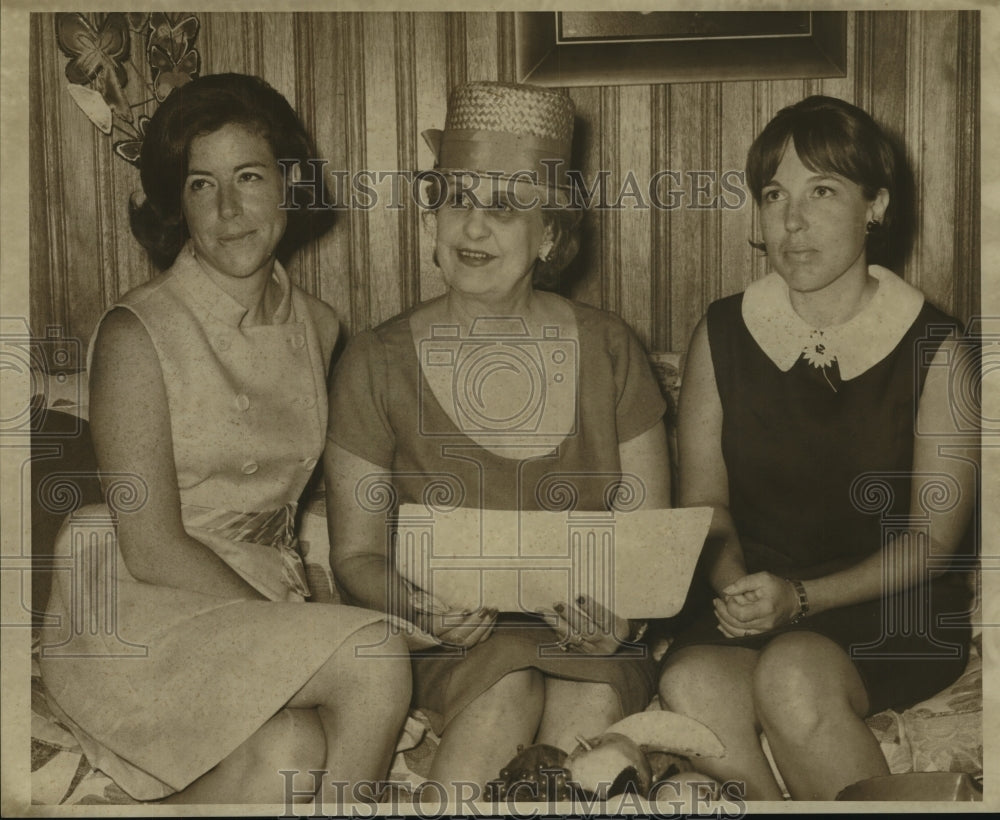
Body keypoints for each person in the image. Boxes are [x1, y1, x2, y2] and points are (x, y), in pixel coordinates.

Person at [38, 73, 411, 805]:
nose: (229, 210)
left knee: (290, 751)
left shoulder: (321, 325)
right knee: (373, 654)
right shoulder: (136, 333)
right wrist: (303, 629)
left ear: (289, 185)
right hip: (136, 604)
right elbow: (150, 546)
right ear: (178, 203)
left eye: (248, 177)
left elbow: (304, 508)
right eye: (202, 186)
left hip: (251, 596)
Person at [325, 81, 672, 792]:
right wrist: (417, 607)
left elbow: (647, 547)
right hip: (447, 646)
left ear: (550, 235)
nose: (474, 229)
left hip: (593, 642)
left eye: (505, 208)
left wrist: (625, 620)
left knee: (589, 720)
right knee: (507, 695)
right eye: (457, 201)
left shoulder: (610, 349)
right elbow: (356, 555)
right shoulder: (373, 360)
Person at [657, 95, 977, 801]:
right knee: (692, 682)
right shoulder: (723, 332)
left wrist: (800, 601)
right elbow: (704, 503)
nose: (793, 221)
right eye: (775, 195)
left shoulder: (938, 347)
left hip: (891, 600)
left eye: (823, 191)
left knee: (792, 674)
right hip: (757, 592)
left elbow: (934, 541)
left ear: (877, 205)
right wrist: (735, 587)